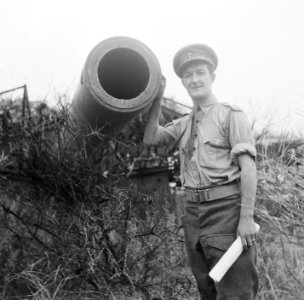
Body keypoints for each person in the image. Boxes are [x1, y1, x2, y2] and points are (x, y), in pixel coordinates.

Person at [143, 44, 259, 300]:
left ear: (212, 77)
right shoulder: (185, 122)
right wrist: (157, 96)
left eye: (200, 72)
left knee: (236, 292)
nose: (194, 79)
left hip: (225, 211)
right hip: (193, 213)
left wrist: (246, 218)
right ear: (183, 81)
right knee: (207, 289)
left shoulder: (231, 116)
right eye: (188, 75)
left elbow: (249, 170)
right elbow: (151, 137)